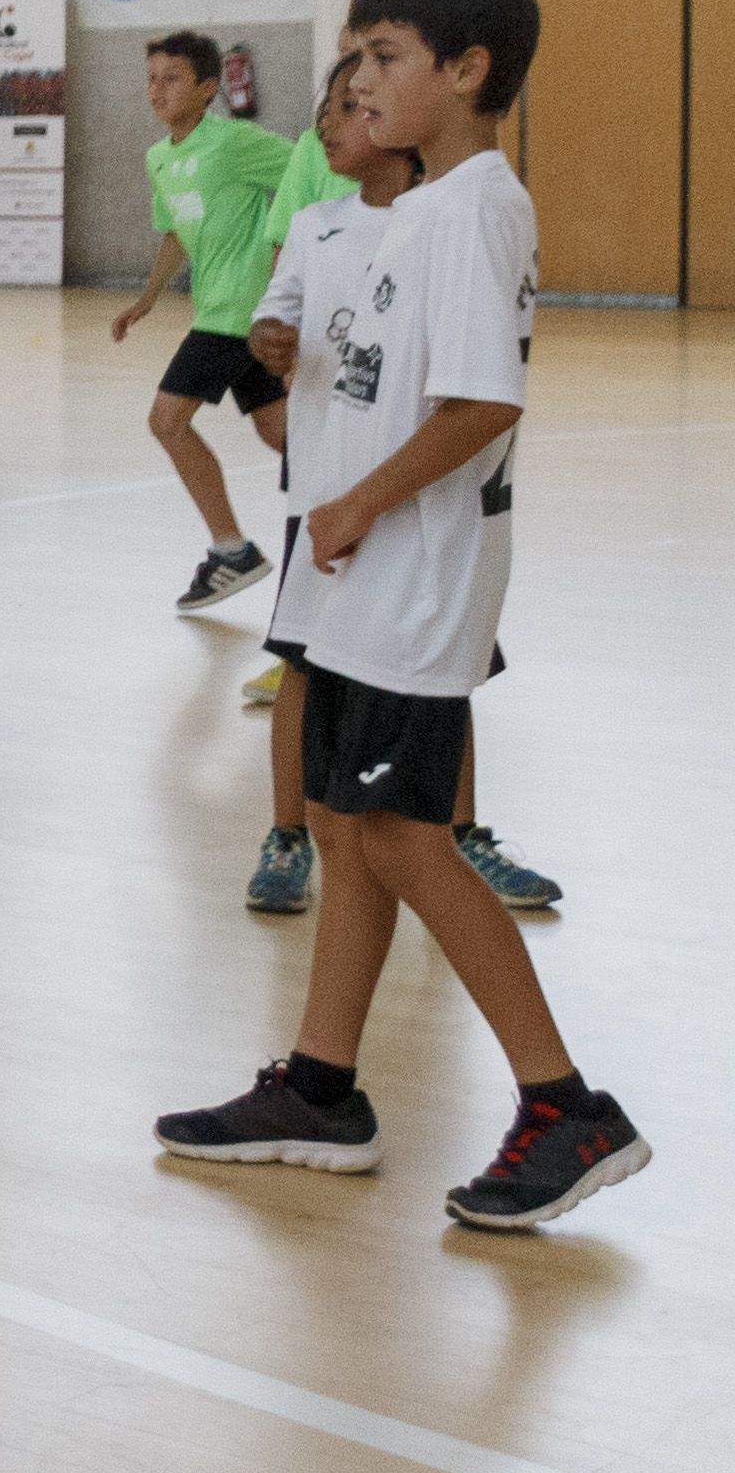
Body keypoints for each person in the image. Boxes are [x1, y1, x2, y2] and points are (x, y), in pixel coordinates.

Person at [152, 0, 645, 1231]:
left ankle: (565, 1105)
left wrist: (364, 502)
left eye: (383, 56)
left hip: (411, 578)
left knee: (403, 834)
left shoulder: (478, 204)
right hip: (351, 573)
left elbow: (485, 399)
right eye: (352, 58)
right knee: (340, 816)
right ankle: (321, 1085)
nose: (356, 79)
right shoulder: (402, 213)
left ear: (467, 72)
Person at [236, 57, 562, 918]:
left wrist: (364, 501)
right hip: (334, 501)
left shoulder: (456, 216)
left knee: (434, 703)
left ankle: (460, 835)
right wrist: (272, 339)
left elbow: (482, 398)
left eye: (362, 91)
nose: (338, 119)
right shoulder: (319, 226)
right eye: (333, 105)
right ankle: (289, 833)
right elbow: (278, 311)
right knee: (303, 668)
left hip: (402, 517)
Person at [110, 28, 294, 610]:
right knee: (281, 432)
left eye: (171, 79)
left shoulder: (235, 143)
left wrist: (283, 254)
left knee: (167, 421)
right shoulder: (159, 157)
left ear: (208, 87)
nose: (157, 91)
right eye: (151, 79)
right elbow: (176, 232)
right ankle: (357, 490)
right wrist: (147, 296)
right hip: (220, 309)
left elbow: (308, 176)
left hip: (239, 313)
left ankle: (232, 550)